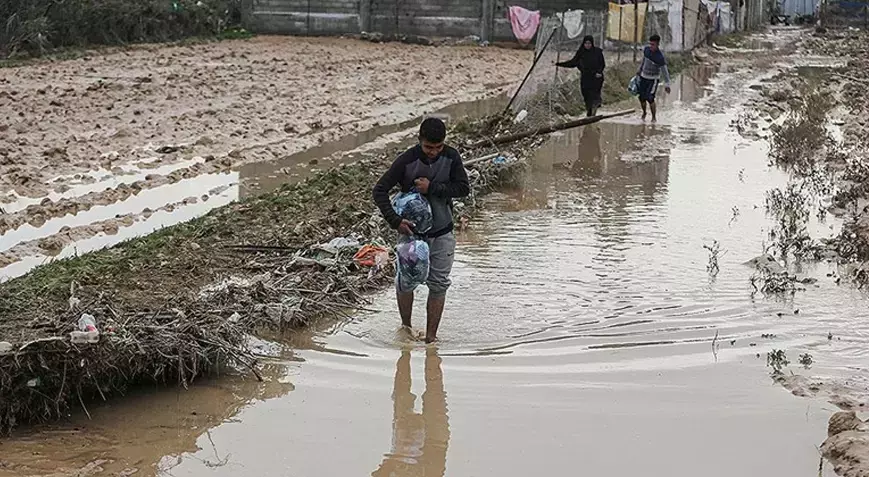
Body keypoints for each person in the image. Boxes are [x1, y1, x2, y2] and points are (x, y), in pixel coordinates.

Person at [372, 117, 470, 343]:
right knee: (405, 282)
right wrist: (395, 221)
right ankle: (406, 327)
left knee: (439, 284)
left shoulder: (451, 156)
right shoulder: (406, 161)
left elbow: (463, 188)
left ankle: (431, 338)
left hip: (442, 233)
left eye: (438, 147)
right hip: (411, 235)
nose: (434, 152)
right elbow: (380, 191)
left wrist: (432, 187)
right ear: (420, 141)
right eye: (428, 147)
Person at [556, 35, 606, 117]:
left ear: (592, 43)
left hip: (596, 77)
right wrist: (559, 64)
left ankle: (594, 107)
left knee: (594, 94)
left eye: (589, 43)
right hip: (585, 77)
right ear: (583, 44)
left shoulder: (597, 52)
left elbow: (602, 64)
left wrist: (599, 72)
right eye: (586, 43)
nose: (587, 45)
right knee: (586, 94)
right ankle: (589, 110)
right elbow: (573, 63)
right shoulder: (581, 52)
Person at [635, 34, 671, 122]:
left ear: (658, 44)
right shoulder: (646, 50)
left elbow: (664, 71)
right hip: (643, 76)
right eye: (650, 44)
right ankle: (644, 112)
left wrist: (667, 84)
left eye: (653, 45)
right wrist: (640, 69)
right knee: (641, 97)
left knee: (650, 97)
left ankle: (654, 117)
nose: (651, 46)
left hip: (653, 79)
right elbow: (644, 60)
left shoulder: (660, 57)